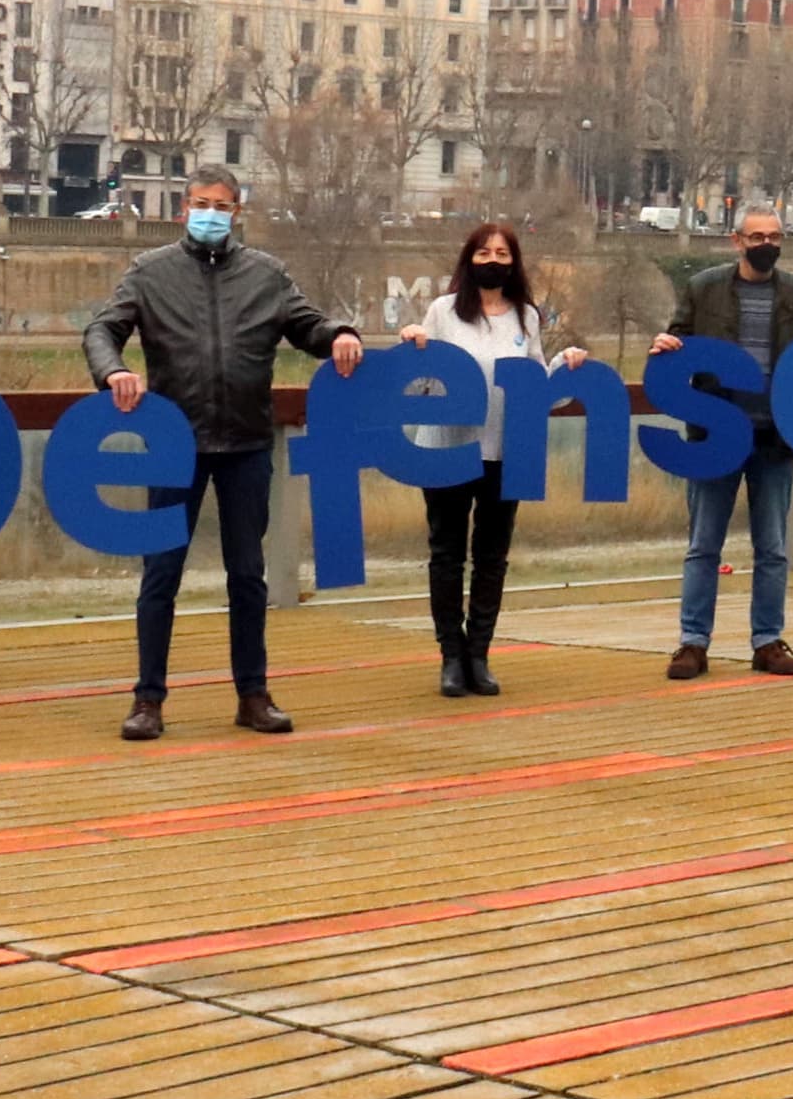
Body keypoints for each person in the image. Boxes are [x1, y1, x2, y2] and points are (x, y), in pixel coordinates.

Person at [82, 163, 362, 743]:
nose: (211, 213)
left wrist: (340, 333)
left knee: (247, 575)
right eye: (200, 203)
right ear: (184, 208)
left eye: (222, 205)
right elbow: (102, 330)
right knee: (161, 574)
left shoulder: (267, 275)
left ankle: (253, 694)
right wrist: (113, 372)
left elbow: (307, 325)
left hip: (245, 444)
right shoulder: (150, 271)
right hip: (173, 442)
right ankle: (147, 699)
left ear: (237, 213)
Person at [650, 204, 793, 681]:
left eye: (775, 236)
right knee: (703, 545)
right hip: (716, 433)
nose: (767, 244)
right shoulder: (703, 289)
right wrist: (663, 344)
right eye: (757, 236)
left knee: (772, 547)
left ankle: (767, 640)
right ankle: (692, 642)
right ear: (737, 241)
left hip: (776, 436)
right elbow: (678, 340)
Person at [397, 222, 585, 699]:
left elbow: (535, 383)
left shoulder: (526, 317)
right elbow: (419, 383)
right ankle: (450, 656)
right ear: (469, 259)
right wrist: (413, 351)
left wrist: (564, 368)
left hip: (508, 447)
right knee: (446, 553)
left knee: (492, 555)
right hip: (448, 445)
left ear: (514, 262)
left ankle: (479, 654)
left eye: (502, 252)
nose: (493, 260)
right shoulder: (443, 311)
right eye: (484, 252)